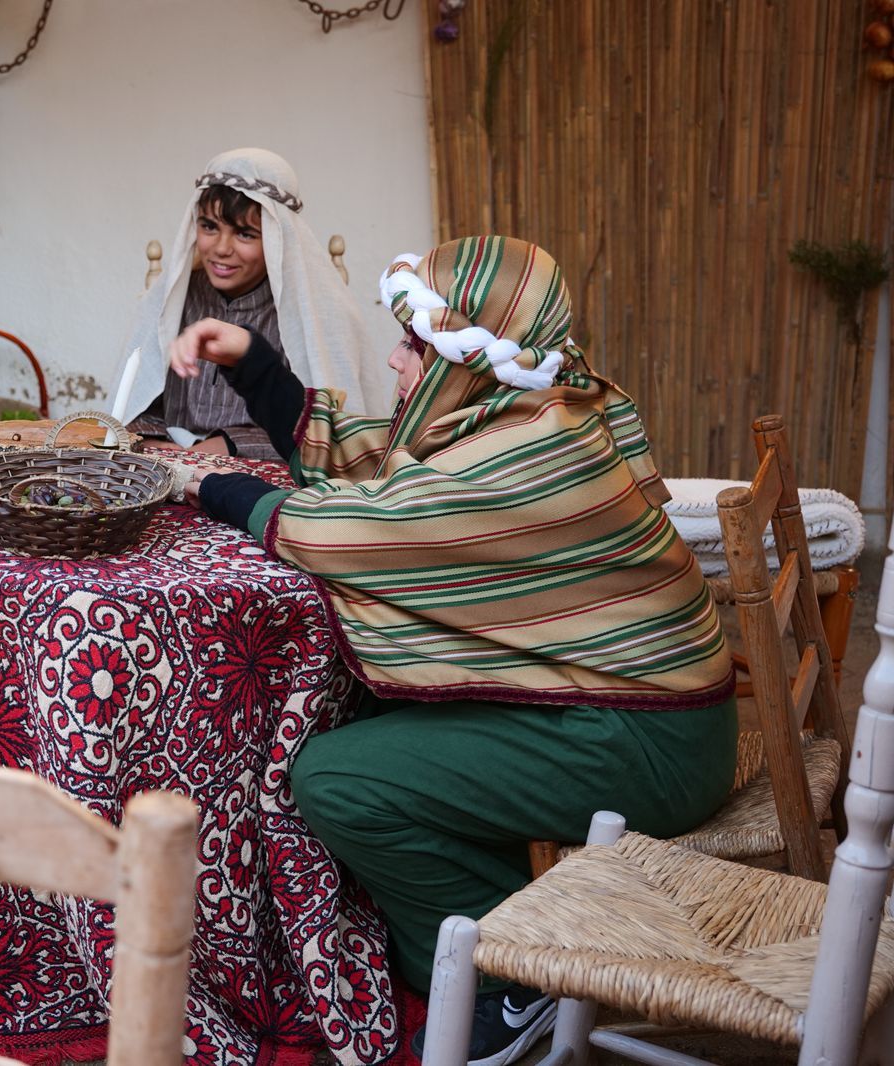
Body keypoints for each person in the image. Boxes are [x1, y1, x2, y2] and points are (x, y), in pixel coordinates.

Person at [172, 236, 736, 1065]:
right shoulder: (535, 407)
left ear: (465, 359)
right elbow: (388, 470)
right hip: (636, 705)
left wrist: (211, 485)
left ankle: (512, 979)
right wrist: (256, 362)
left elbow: (365, 526)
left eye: (414, 343)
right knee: (394, 713)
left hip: (648, 742)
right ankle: (492, 935)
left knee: (336, 777)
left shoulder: (531, 455)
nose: (397, 362)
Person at [117, 147, 393, 461]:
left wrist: (216, 449)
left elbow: (319, 430)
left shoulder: (310, 312)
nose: (221, 248)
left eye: (245, 234)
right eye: (209, 227)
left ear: (277, 238)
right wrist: (155, 443)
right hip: (168, 459)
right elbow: (137, 400)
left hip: (263, 465)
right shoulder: (174, 299)